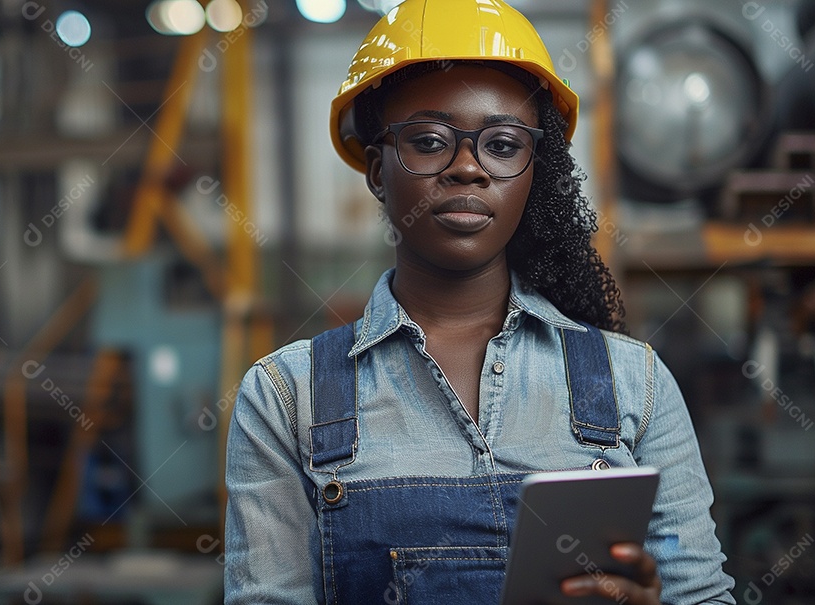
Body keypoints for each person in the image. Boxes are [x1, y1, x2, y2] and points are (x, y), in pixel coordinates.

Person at [224, 0, 736, 603]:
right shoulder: (288, 399)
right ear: (377, 170)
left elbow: (700, 595)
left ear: (534, 169)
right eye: (429, 141)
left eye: (502, 144)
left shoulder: (635, 384)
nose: (467, 169)